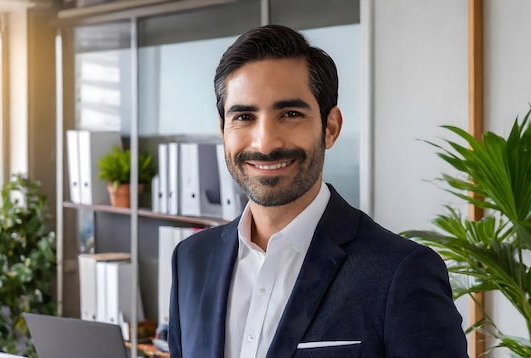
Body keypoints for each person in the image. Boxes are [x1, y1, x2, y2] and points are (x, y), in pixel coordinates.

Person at [168, 24, 468, 358]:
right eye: (244, 116)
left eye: (290, 114)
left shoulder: (401, 273)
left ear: (330, 128)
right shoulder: (191, 260)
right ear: (223, 129)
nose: (265, 143)